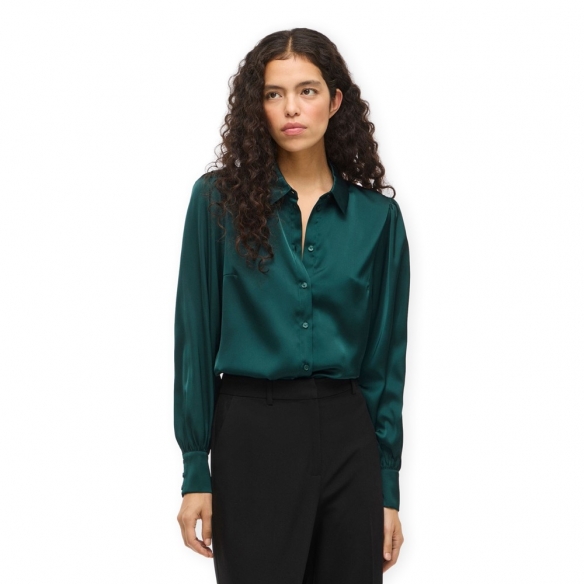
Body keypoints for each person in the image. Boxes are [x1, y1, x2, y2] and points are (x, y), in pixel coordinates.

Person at [174, 27, 411, 583]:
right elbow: (195, 338)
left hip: (349, 439)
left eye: (307, 91)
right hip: (252, 434)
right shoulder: (216, 203)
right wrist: (195, 470)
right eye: (273, 94)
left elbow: (384, 364)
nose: (291, 109)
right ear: (256, 107)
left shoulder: (377, 220)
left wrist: (387, 486)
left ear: (336, 101)